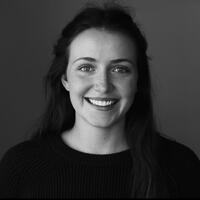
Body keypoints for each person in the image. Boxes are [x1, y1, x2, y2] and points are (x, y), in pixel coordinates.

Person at [0, 2, 199, 198]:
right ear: (65, 80)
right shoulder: (20, 167)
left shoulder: (180, 166)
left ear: (138, 81)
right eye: (86, 68)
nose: (103, 85)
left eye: (119, 69)